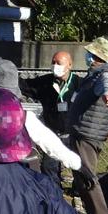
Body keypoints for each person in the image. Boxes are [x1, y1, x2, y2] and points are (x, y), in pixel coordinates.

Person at [62, 35, 108, 214]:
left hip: (88, 133)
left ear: (96, 56)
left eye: (89, 53)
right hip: (83, 131)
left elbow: (107, 86)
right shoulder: (94, 74)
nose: (86, 55)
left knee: (86, 175)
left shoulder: (102, 74)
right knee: (82, 174)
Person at [20, 49, 76, 185]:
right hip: (53, 134)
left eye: (59, 63)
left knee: (79, 168)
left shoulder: (79, 84)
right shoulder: (45, 82)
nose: (55, 66)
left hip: (74, 135)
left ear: (69, 65)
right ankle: (54, 195)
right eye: (53, 62)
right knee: (48, 167)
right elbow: (25, 85)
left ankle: (79, 197)